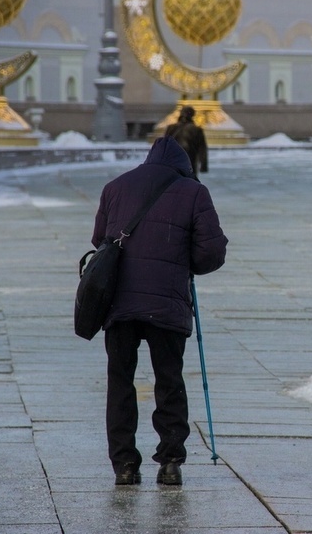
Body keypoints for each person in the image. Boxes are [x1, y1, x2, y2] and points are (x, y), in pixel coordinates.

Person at [91, 136, 228, 486]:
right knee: (169, 380)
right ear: (184, 166)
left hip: (119, 303)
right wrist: (185, 262)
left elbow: (100, 240)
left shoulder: (115, 187)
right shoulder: (194, 192)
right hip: (167, 303)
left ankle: (124, 464)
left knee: (120, 381)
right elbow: (211, 252)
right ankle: (170, 462)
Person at [164, 105, 209, 176]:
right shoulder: (197, 130)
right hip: (190, 162)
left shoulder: (171, 128)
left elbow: (164, 146)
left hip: (172, 162)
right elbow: (202, 148)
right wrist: (203, 165)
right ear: (192, 115)